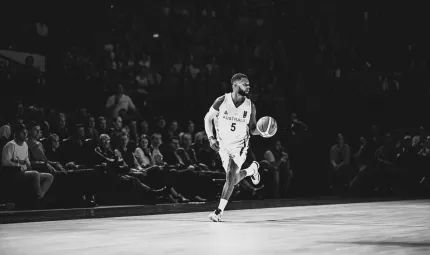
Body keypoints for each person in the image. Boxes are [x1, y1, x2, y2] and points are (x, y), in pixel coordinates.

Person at [204, 73, 263, 222]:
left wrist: (263, 132)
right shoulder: (222, 101)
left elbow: (253, 129)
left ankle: (218, 212)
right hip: (222, 144)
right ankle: (251, 170)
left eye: (249, 84)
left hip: (239, 145)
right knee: (233, 179)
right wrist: (211, 138)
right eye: (245, 84)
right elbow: (208, 118)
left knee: (230, 174)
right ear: (235, 85)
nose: (248, 86)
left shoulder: (250, 106)